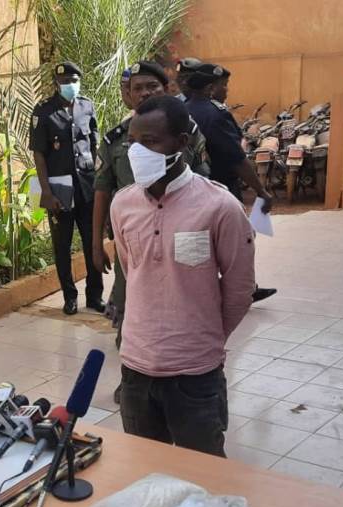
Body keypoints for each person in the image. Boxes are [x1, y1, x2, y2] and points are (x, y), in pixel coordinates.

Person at [110, 95, 255, 457]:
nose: (137, 152)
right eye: (133, 142)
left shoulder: (219, 206)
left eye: (151, 142)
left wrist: (203, 336)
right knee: (146, 473)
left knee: (204, 479)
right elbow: (134, 270)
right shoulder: (122, 204)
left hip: (196, 376)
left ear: (182, 142)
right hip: (136, 371)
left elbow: (240, 289)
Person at [92, 61, 210, 403]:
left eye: (152, 87)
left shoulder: (186, 130)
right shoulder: (115, 139)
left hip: (181, 235)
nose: (144, 93)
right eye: (137, 88)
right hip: (135, 243)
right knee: (130, 309)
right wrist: (97, 244)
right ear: (127, 95)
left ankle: (186, 377)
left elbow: (204, 176)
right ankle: (132, 376)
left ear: (166, 90)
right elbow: (102, 189)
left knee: (183, 305)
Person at [185, 64, 277, 303]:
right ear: (210, 88)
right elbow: (236, 158)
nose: (226, 90)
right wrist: (261, 190)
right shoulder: (216, 114)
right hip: (222, 188)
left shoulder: (182, 110)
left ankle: (206, 292)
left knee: (201, 243)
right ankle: (242, 291)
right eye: (223, 86)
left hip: (191, 190)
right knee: (239, 240)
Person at [30, 61, 104, 316]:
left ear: (79, 81)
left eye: (73, 81)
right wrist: (46, 193)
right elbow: (39, 155)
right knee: (62, 246)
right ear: (56, 84)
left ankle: (95, 296)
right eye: (64, 82)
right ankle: (69, 297)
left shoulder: (87, 106)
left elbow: (94, 144)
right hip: (59, 190)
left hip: (86, 186)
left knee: (92, 241)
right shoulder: (43, 112)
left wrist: (97, 178)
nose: (69, 85)